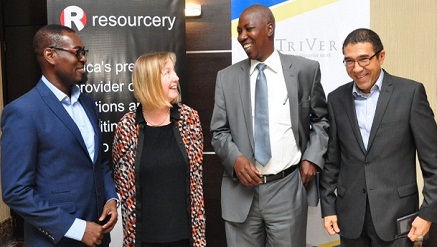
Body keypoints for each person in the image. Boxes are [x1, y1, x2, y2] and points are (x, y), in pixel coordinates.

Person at [210, 4, 329, 247]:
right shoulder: (226, 77)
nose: (242, 36)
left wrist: (312, 158)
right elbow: (219, 132)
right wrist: (235, 159)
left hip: (286, 188)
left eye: (248, 29)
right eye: (239, 30)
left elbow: (321, 119)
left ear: (270, 28)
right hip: (240, 193)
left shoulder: (305, 70)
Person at [1, 24, 118, 246]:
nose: (83, 59)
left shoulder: (88, 104)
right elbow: (16, 191)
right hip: (56, 240)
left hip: (99, 236)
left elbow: (98, 163)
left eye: (84, 52)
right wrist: (78, 228)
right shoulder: (23, 112)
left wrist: (111, 198)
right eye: (77, 52)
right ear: (50, 55)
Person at [319, 28, 437, 247]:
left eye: (364, 59)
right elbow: (331, 160)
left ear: (381, 56)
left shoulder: (410, 94)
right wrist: (328, 207)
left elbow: (433, 162)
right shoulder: (336, 99)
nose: (357, 69)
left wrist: (428, 213)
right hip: (351, 219)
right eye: (349, 61)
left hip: (398, 219)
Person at [112, 52, 206, 247]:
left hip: (185, 239)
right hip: (142, 240)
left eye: (174, 71)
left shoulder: (190, 120)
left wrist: (199, 240)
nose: (176, 78)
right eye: (167, 72)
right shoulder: (127, 126)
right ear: (150, 81)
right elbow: (123, 186)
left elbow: (196, 185)